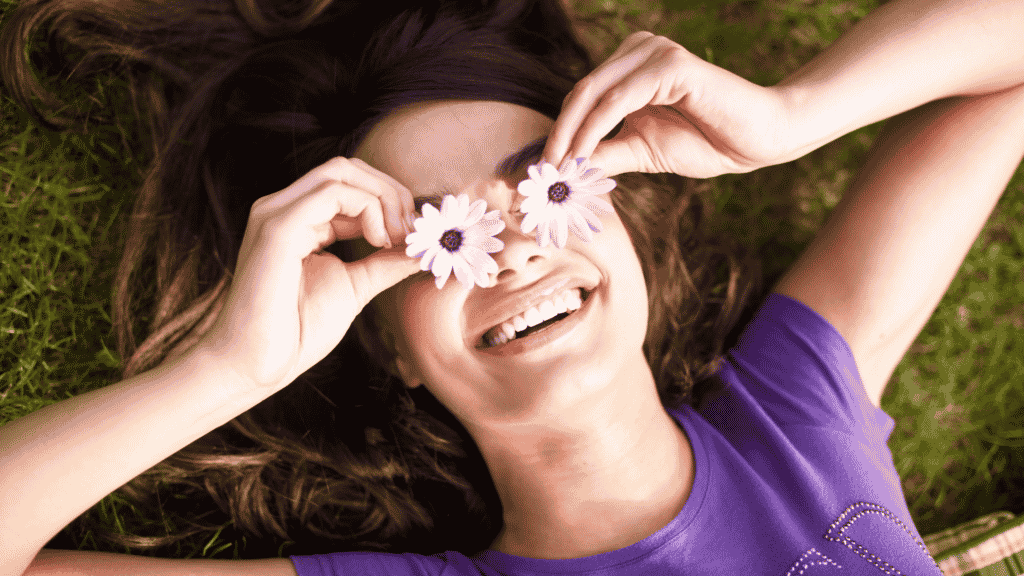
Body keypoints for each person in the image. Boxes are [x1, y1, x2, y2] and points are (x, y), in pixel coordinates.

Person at [1, 0, 1023, 573]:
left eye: (539, 184)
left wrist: (795, 115)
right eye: (436, 232)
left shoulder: (796, 409)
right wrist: (226, 370)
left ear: (622, 211)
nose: (512, 249)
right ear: (385, 343)